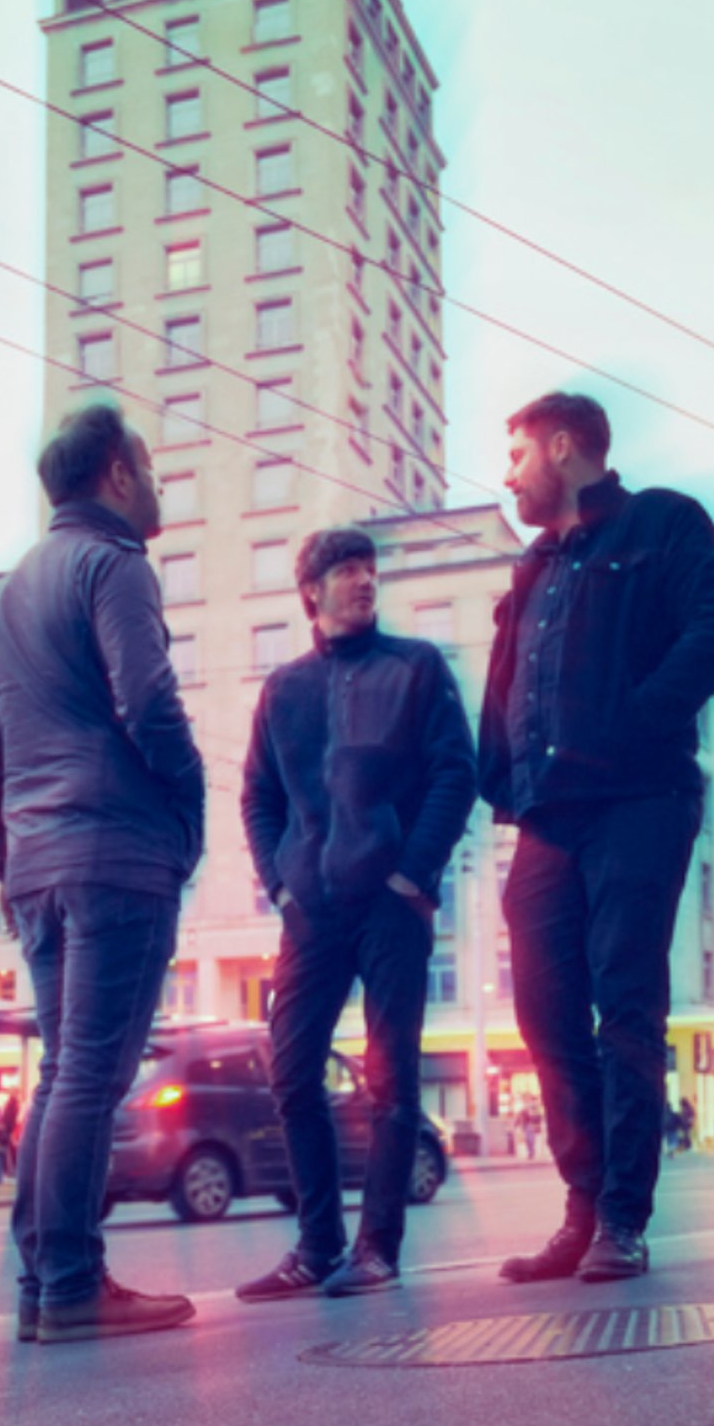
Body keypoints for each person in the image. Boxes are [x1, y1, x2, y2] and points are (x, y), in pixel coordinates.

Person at [479, 392, 714, 1285]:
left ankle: (622, 1220)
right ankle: (582, 1206)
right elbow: (507, 679)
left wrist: (637, 719)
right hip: (546, 819)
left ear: (565, 447)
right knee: (544, 1013)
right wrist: (500, 778)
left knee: (624, 1005)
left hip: (639, 799)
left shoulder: (662, 523)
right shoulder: (536, 565)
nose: (509, 471)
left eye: (518, 452)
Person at [0, 403, 204, 1345]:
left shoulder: (6, 593)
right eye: (148, 465)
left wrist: (12, 859)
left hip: (41, 867)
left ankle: (46, 1283)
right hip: (116, 854)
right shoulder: (116, 566)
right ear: (115, 474)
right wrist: (186, 807)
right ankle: (70, 1281)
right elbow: (147, 700)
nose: (157, 483)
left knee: (67, 1071)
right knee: (91, 1077)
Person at [234, 527, 476, 1303]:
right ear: (312, 590)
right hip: (311, 911)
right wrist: (280, 885)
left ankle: (377, 1247)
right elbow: (258, 798)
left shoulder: (417, 666)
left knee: (390, 1080)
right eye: (346, 570)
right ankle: (316, 1246)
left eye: (370, 569)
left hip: (390, 905)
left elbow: (455, 772)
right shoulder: (283, 689)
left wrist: (413, 875)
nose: (364, 581)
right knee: (294, 1073)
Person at [0, 1091, 20, 1180]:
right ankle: (11, 1171)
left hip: (7, 1130)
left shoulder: (8, 1105)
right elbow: (13, 1120)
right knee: (12, 1151)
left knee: (7, 1151)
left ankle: (7, 1171)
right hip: (11, 1131)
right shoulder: (15, 1106)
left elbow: (5, 1118)